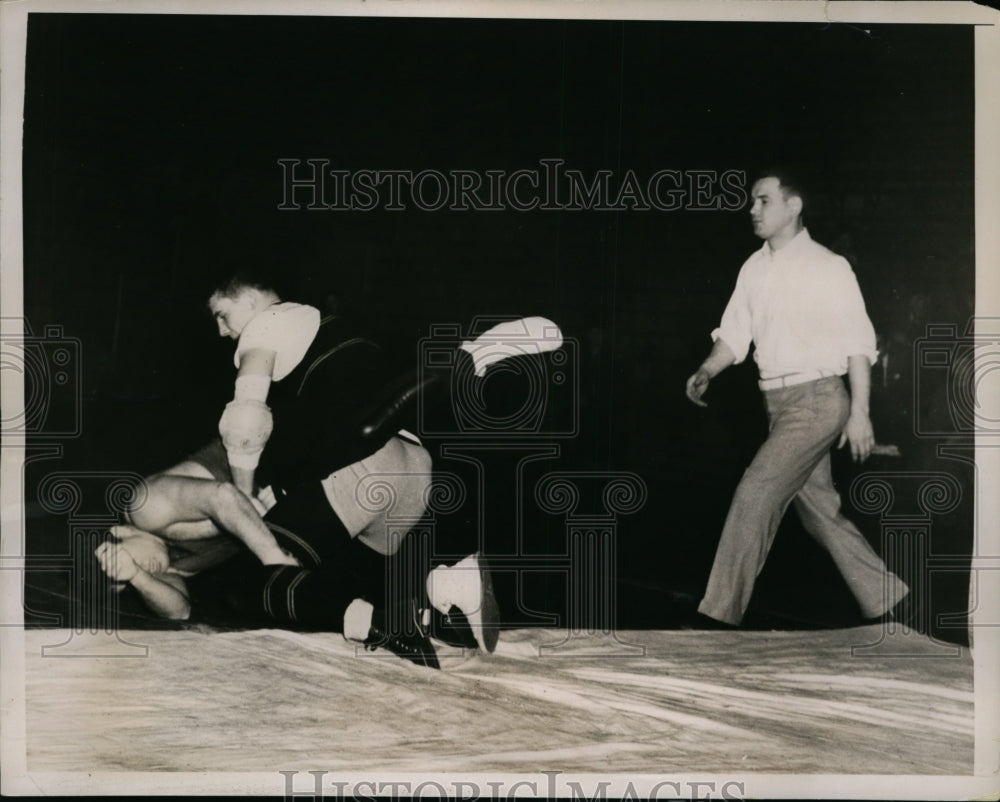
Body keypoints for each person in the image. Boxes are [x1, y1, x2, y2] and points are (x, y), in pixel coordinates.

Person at [684, 168, 909, 627]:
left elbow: (858, 345)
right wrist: (708, 368)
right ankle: (892, 600)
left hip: (818, 400)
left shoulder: (829, 267)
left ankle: (716, 619)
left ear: (793, 206)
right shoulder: (753, 268)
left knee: (755, 494)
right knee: (820, 514)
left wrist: (860, 414)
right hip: (778, 405)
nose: (752, 209)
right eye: (751, 201)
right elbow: (735, 334)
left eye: (763, 200)